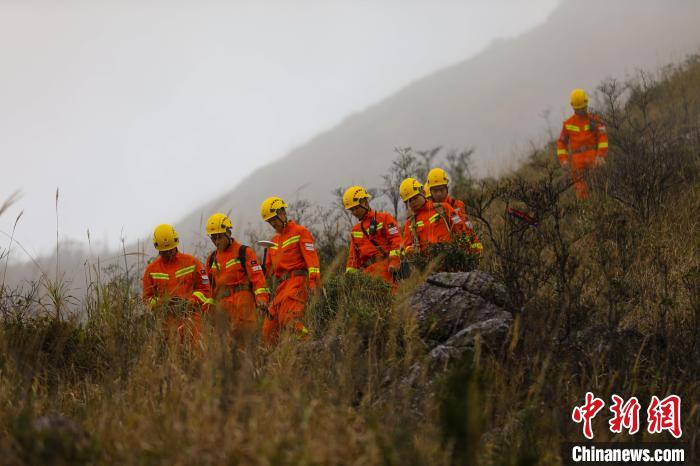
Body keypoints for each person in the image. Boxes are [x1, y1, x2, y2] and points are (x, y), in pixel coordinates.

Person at [259, 196, 320, 344]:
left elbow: (313, 262)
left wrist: (313, 284)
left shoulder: (300, 232)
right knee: (268, 330)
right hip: (281, 288)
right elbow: (267, 272)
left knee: (289, 319)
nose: (273, 224)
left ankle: (311, 345)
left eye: (274, 220)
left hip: (298, 283)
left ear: (282, 213)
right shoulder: (273, 241)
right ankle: (276, 362)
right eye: (270, 222)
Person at [142, 224, 212, 344]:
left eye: (170, 250)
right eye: (164, 252)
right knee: (173, 358)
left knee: (196, 355)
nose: (168, 254)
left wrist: (190, 302)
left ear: (176, 243)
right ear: (157, 248)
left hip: (192, 320)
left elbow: (206, 290)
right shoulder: (151, 270)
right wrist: (164, 303)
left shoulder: (192, 262)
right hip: (166, 324)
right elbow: (147, 299)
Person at [205, 213, 270, 340]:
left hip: (243, 303)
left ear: (228, 233)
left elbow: (258, 278)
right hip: (222, 308)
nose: (217, 241)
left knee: (246, 340)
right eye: (213, 238)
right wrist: (209, 311)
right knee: (226, 346)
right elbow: (210, 289)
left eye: (219, 237)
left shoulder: (244, 252)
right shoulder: (211, 259)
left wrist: (262, 298)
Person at [343, 185, 402, 288]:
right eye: (351, 210)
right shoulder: (355, 230)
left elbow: (396, 240)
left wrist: (394, 261)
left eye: (356, 208)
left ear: (365, 203)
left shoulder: (384, 218)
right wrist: (349, 277)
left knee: (388, 300)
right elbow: (353, 257)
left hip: (385, 269)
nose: (354, 213)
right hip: (366, 274)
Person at [556, 88, 609, 199]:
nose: (581, 111)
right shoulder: (568, 124)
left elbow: (603, 137)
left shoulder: (594, 119)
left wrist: (601, 155)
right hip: (577, 160)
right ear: (573, 107)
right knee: (581, 189)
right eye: (578, 109)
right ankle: (585, 211)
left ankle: (602, 207)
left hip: (593, 157)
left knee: (598, 186)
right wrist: (564, 160)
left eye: (582, 108)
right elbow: (561, 143)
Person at [399, 178, 467, 254]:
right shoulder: (410, 223)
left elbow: (460, 228)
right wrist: (410, 250)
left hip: (450, 258)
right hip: (427, 264)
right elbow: (406, 246)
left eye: (415, 198)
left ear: (423, 193)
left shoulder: (444, 208)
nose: (413, 202)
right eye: (409, 201)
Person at [424, 167, 483, 255]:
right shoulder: (427, 210)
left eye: (441, 190)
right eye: (435, 191)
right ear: (430, 191)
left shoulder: (457, 205)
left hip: (461, 252)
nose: (439, 193)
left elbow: (467, 228)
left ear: (447, 189)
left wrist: (475, 250)